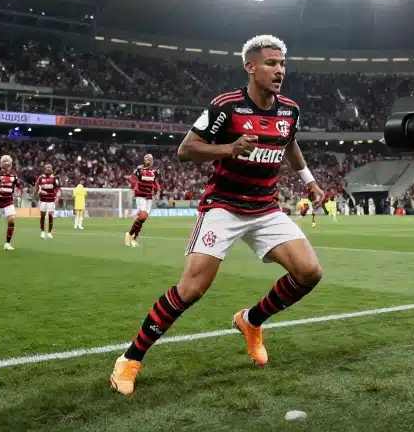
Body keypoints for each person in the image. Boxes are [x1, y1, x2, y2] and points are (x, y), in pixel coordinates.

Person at [110, 34, 325, 396]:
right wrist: (230, 148)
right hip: (223, 206)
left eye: (282, 64)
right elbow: (186, 149)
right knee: (191, 289)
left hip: (265, 207)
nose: (279, 71)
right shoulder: (226, 106)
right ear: (250, 67)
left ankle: (251, 320)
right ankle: (129, 359)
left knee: (309, 272)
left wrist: (310, 182)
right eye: (271, 63)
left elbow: (290, 143)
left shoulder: (289, 110)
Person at [125, 154, 160, 248]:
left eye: (150, 159)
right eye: (147, 159)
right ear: (144, 160)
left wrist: (157, 190)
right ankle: (131, 236)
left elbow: (155, 182)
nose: (149, 161)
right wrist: (136, 186)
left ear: (152, 161)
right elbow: (131, 179)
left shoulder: (154, 172)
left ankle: (131, 236)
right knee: (142, 216)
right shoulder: (139, 169)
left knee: (143, 219)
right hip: (140, 195)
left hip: (149, 196)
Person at [34, 163, 60, 239]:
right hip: (43, 200)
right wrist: (38, 192)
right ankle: (42, 232)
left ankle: (49, 232)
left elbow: (58, 189)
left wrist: (57, 197)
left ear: (51, 169)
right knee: (42, 216)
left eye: (49, 168)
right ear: (44, 169)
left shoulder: (55, 178)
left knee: (50, 216)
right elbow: (36, 187)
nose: (48, 169)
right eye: (47, 168)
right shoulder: (40, 178)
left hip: (51, 200)